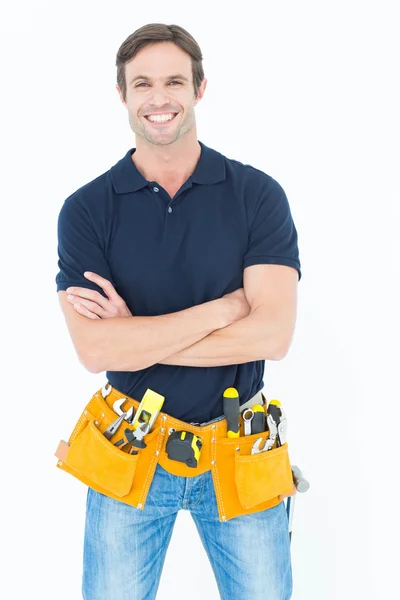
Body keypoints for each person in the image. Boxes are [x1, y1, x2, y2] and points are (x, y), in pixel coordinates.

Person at [56, 22, 301, 600]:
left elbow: (273, 335)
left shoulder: (256, 195)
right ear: (123, 95)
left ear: (199, 89)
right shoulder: (86, 210)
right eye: (142, 83)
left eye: (174, 81)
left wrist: (135, 336)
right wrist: (222, 310)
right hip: (128, 445)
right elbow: (96, 351)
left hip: (241, 445)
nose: (158, 98)